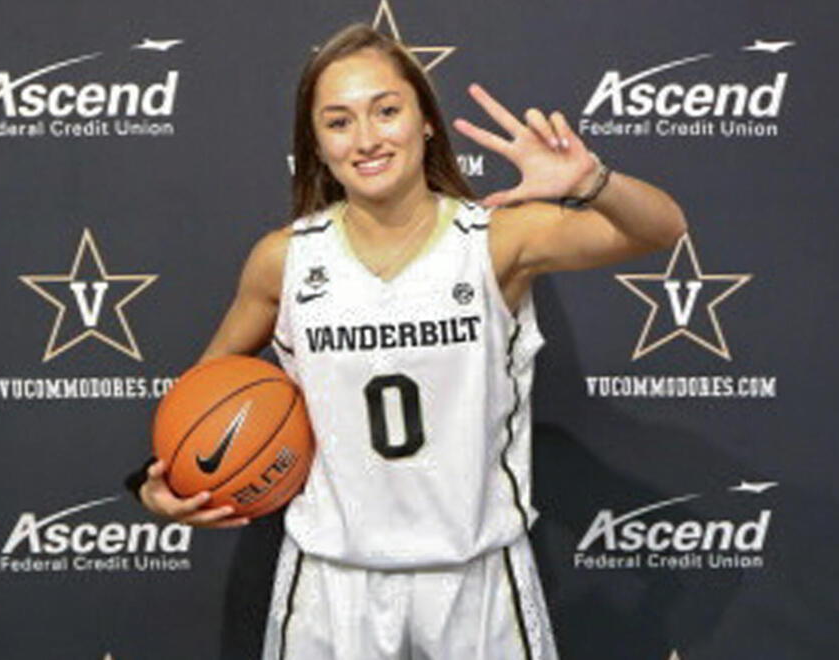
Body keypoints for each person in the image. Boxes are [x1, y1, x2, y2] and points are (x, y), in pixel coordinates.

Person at [131, 23, 686, 660]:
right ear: (316, 144)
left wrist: (592, 182)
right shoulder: (283, 261)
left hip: (474, 579)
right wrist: (158, 484)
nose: (367, 138)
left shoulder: (496, 241)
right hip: (331, 584)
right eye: (339, 122)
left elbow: (662, 229)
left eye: (386, 111)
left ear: (425, 122)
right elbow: (203, 397)